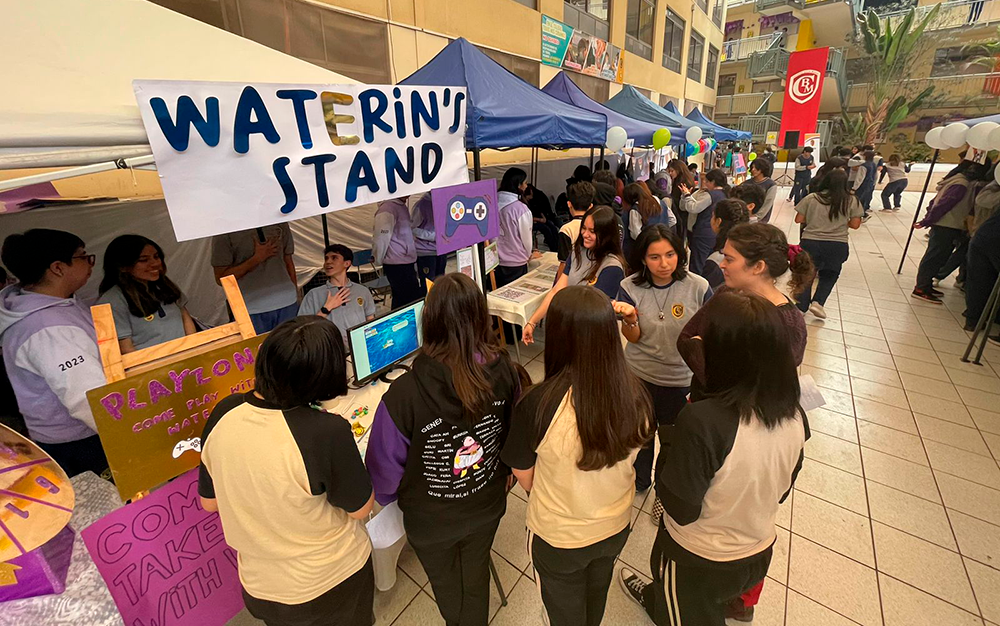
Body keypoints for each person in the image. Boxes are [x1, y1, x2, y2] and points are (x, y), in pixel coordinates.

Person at [620, 290, 808, 626]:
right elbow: (781, 490)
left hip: (697, 559)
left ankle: (663, 600)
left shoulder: (704, 420)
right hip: (757, 550)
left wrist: (668, 450)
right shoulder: (795, 415)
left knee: (687, 611)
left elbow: (681, 508)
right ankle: (657, 597)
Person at [198, 317, 375, 626]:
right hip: (330, 581)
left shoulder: (222, 412)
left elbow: (209, 502)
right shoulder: (327, 431)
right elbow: (361, 509)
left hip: (260, 586)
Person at [366, 273, 519, 626]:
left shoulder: (402, 395)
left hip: (430, 520)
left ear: (429, 321)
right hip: (487, 502)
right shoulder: (507, 372)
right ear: (481, 317)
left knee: (446, 585)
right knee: (476, 572)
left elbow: (384, 480)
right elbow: (512, 435)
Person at [501, 285, 652, 626]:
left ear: (557, 335)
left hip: (559, 539)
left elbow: (524, 474)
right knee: (595, 600)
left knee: (563, 614)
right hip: (615, 527)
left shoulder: (538, 403)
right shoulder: (636, 393)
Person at [0, 229, 108, 477]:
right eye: (83, 256)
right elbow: (87, 398)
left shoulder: (59, 303)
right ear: (58, 267)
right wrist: (131, 434)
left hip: (78, 435)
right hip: (81, 440)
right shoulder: (47, 328)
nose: (91, 262)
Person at [614, 225, 711, 495]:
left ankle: (664, 493)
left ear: (680, 254)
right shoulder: (629, 286)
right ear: (643, 259)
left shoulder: (698, 287)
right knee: (639, 435)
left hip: (680, 380)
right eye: (654, 257)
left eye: (670, 255)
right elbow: (632, 338)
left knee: (672, 441)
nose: (664, 263)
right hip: (638, 377)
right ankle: (640, 481)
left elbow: (709, 331)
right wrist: (631, 320)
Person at [678, 223, 812, 402]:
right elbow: (685, 339)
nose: (722, 265)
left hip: (739, 420)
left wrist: (701, 348)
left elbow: (759, 388)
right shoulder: (725, 293)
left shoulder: (787, 323)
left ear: (758, 266)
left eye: (729, 259)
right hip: (701, 404)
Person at [522, 206, 626, 344]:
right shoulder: (578, 252)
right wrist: (532, 322)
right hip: (571, 329)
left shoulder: (612, 267)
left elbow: (593, 312)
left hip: (592, 337)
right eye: (584, 228)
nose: (585, 234)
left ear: (606, 234)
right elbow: (556, 291)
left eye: (592, 231)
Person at [97, 235, 196, 353]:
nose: (155, 263)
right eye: (144, 260)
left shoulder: (164, 285)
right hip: (153, 367)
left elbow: (185, 318)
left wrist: (194, 349)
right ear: (122, 266)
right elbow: (126, 349)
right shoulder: (112, 301)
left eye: (156, 256)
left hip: (188, 359)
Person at [912, 160, 992, 303]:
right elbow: (944, 204)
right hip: (947, 225)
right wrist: (928, 220)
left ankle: (926, 284)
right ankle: (921, 288)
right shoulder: (961, 184)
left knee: (938, 256)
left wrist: (929, 218)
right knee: (935, 256)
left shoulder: (958, 180)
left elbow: (936, 201)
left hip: (947, 224)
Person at [794, 169, 864, 318]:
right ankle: (818, 302)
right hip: (837, 244)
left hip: (811, 241)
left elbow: (799, 219)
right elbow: (855, 224)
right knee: (830, 274)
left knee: (807, 273)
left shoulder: (812, 198)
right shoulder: (852, 200)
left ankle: (801, 305)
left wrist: (815, 218)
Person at [212, 224, 298, 334]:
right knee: (256, 350)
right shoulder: (224, 231)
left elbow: (288, 261)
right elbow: (220, 278)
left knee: (290, 348)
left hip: (287, 302)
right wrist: (255, 260)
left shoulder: (280, 221)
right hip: (249, 308)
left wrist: (295, 295)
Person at [298, 244, 376, 346]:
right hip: (330, 350)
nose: (328, 262)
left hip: (358, 347)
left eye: (334, 258)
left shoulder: (362, 291)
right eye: (326, 259)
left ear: (347, 263)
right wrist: (326, 309)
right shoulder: (313, 295)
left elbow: (370, 319)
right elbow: (303, 329)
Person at [374, 196, 424, 309]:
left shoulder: (400, 206)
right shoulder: (387, 209)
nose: (408, 194)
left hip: (406, 261)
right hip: (397, 264)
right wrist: (378, 259)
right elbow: (381, 238)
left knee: (406, 299)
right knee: (406, 301)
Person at [683, 169, 730, 275]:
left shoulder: (710, 195)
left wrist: (686, 195)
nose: (705, 184)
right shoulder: (726, 194)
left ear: (713, 182)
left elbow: (694, 208)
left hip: (703, 233)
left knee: (697, 264)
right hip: (716, 233)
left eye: (707, 181)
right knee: (708, 263)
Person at [700, 199, 751, 290]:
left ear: (718, 221)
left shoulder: (717, 261)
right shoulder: (750, 250)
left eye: (712, 216)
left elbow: (705, 293)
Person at [496, 167, 534, 288]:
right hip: (516, 262)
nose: (526, 186)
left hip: (494, 261)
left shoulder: (490, 202)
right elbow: (527, 240)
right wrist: (529, 255)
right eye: (525, 182)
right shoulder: (520, 209)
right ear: (518, 185)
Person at [622, 181, 676, 260]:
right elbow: (673, 220)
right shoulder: (659, 202)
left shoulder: (636, 209)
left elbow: (635, 234)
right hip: (664, 240)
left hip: (647, 246)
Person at [557, 181, 595, 275]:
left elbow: (564, 263)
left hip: (572, 276)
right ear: (590, 206)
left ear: (569, 204)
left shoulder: (566, 229)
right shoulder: (597, 226)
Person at [411, 194, 449, 282]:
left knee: (441, 282)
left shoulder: (445, 201)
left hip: (441, 250)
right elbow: (412, 228)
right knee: (429, 284)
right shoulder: (421, 205)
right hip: (426, 252)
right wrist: (433, 236)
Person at [667, 160, 698, 246]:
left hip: (680, 213)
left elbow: (679, 199)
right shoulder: (686, 179)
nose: (670, 173)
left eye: (672, 171)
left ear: (678, 170)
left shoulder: (681, 183)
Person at [525, 184, 562, 253]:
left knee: (551, 225)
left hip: (536, 219)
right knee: (545, 228)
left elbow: (539, 209)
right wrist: (539, 219)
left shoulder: (533, 200)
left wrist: (543, 218)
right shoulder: (523, 204)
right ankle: (553, 248)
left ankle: (558, 246)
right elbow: (527, 217)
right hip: (529, 222)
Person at [747, 158, 778, 223]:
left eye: (756, 168)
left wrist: (757, 217)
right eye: (752, 168)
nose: (753, 170)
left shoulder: (771, 185)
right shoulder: (746, 183)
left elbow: (768, 202)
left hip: (760, 219)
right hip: (746, 216)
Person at [853, 150, 878, 219]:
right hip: (870, 184)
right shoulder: (873, 164)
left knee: (858, 200)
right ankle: (863, 213)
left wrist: (854, 188)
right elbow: (876, 175)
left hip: (862, 185)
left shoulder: (864, 166)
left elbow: (860, 178)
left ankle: (862, 215)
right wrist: (873, 183)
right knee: (864, 200)